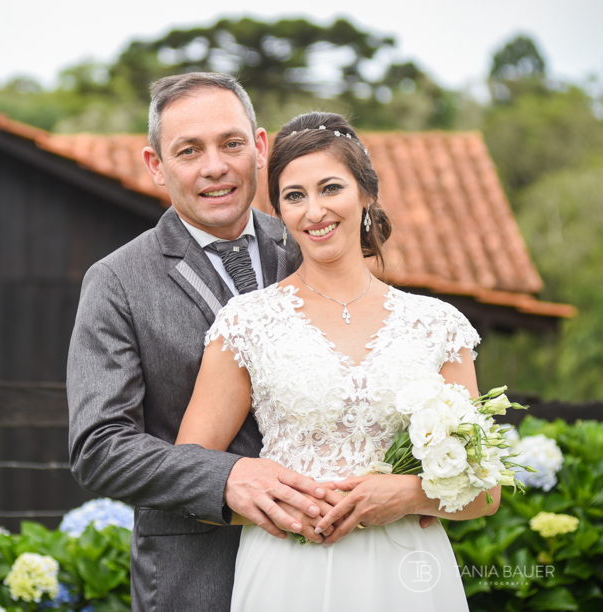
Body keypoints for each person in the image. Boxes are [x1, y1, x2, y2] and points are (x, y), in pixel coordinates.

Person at [176, 111, 499, 611]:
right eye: (294, 196)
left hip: (406, 573)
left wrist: (409, 495)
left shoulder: (438, 326)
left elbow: (487, 491)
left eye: (330, 188)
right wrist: (283, 508)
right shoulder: (246, 323)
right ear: (280, 211)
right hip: (287, 571)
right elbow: (190, 476)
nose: (314, 211)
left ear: (366, 194)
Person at [67, 74, 345, 611]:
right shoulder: (117, 282)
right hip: (198, 576)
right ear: (156, 165)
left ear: (259, 148)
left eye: (230, 144)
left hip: (333, 564)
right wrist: (226, 477)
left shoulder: (313, 244)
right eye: (189, 151)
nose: (214, 167)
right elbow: (98, 447)